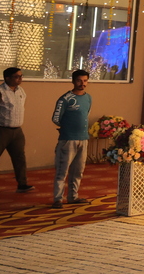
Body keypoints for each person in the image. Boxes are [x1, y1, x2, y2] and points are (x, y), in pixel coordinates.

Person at [51, 70, 92, 209]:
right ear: (73, 81)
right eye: (79, 80)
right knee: (62, 171)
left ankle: (73, 197)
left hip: (83, 139)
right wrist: (67, 128)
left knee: (78, 170)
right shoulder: (65, 99)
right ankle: (58, 199)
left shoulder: (88, 98)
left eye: (85, 81)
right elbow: (56, 118)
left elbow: (86, 114)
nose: (82, 84)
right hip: (68, 139)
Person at [0, 67, 34, 195]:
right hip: (1, 130)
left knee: (20, 158)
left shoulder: (21, 91)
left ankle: (22, 184)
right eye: (17, 77)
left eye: (21, 76)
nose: (20, 79)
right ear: (7, 78)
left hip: (17, 130)